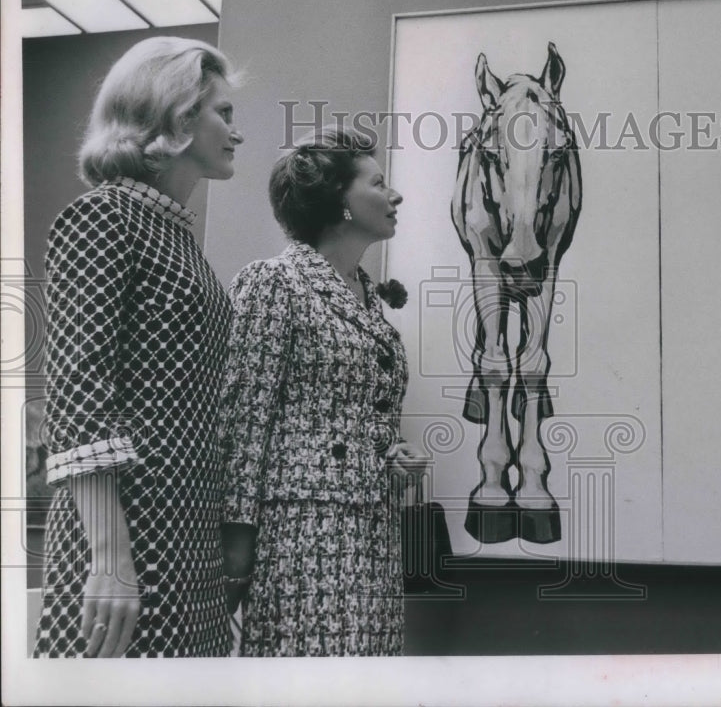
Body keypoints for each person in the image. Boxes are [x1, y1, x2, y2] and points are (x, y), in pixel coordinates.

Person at [33, 37, 244, 657]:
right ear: (178, 115)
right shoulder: (104, 216)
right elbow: (76, 394)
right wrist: (110, 554)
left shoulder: (177, 238)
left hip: (187, 528)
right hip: (129, 530)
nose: (236, 132)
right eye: (223, 113)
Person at [218, 125, 429, 656]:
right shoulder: (273, 282)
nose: (395, 194)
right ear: (341, 200)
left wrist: (388, 449)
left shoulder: (365, 295)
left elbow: (349, 412)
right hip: (300, 534)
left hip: (370, 528)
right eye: (379, 183)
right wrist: (236, 547)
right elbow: (243, 422)